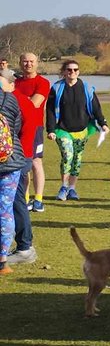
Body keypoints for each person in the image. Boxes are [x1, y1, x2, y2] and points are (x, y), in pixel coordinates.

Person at [45, 59, 108, 201]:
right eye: (69, 70)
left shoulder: (87, 87)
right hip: (62, 129)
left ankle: (72, 188)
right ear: (64, 72)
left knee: (77, 159)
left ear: (78, 72)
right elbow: (49, 110)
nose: (72, 72)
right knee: (67, 156)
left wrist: (102, 123)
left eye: (75, 70)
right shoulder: (57, 88)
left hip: (82, 130)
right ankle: (64, 186)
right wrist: (51, 130)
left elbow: (96, 107)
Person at [0, 71, 37, 265]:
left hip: (15, 158)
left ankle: (24, 246)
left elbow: (28, 128)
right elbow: (17, 129)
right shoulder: (14, 100)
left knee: (16, 204)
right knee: (9, 207)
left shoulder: (19, 100)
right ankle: (8, 253)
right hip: (13, 159)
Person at [14, 53, 50, 212]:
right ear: (20, 63)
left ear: (37, 63)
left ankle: (39, 199)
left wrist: (17, 101)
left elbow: (34, 104)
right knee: (21, 165)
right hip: (17, 129)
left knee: (35, 162)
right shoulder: (15, 83)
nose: (28, 64)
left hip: (34, 128)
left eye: (31, 61)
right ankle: (25, 198)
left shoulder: (42, 82)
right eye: (25, 61)